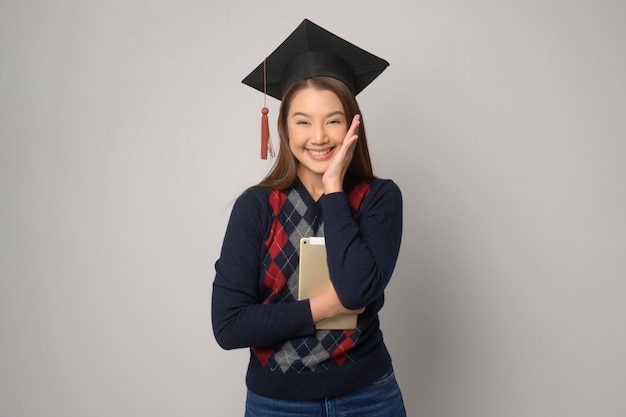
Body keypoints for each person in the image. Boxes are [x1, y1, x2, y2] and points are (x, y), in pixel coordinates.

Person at [212, 19, 406, 416]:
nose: (318, 136)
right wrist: (324, 306)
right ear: (284, 127)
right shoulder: (255, 208)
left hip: (369, 396)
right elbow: (230, 325)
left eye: (332, 119)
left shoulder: (378, 199)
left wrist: (334, 190)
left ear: (353, 123)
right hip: (278, 403)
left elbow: (354, 291)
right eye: (303, 121)